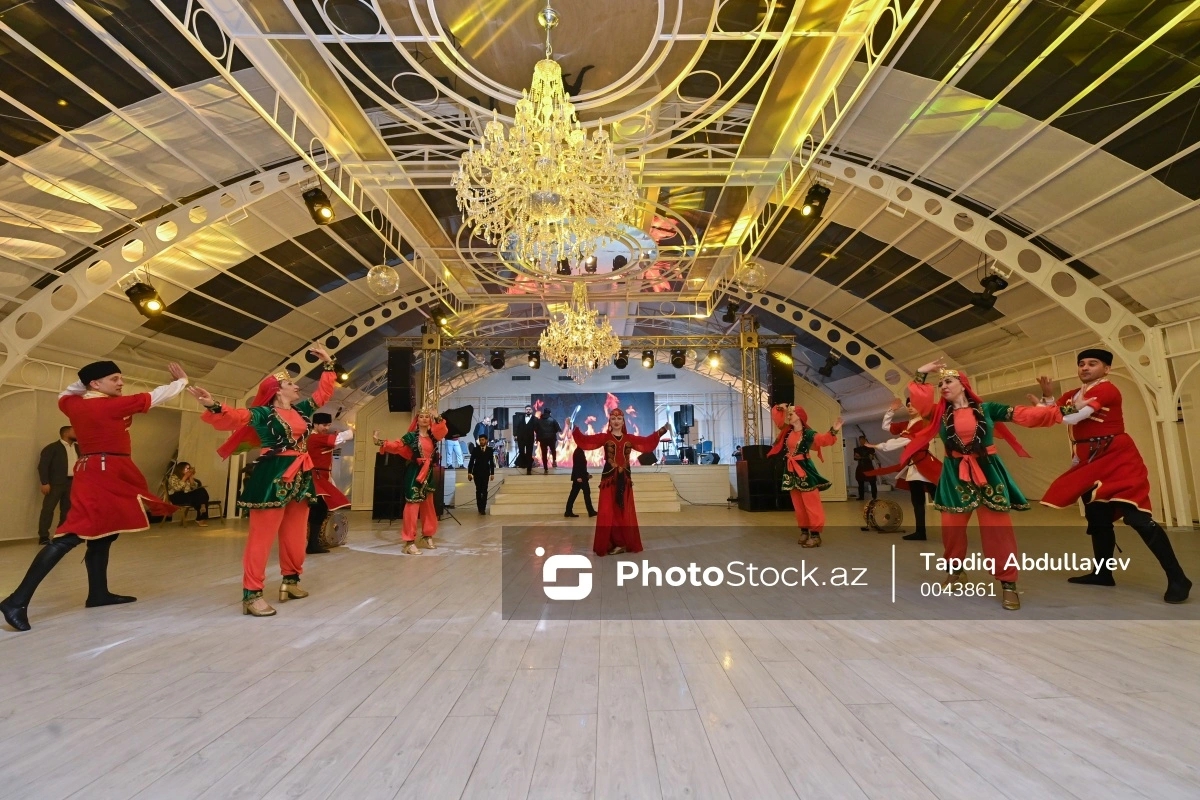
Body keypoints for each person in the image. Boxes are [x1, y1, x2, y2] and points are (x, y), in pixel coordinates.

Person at [1, 360, 187, 632]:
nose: (121, 383)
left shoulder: (73, 404)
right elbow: (155, 396)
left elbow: (65, 393)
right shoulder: (110, 405)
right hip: (104, 472)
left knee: (106, 531)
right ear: (95, 384)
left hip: (99, 469)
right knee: (73, 534)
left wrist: (86, 379)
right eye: (114, 379)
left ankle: (98, 593)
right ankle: (16, 601)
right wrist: (181, 382)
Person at [902, 358, 1062, 610]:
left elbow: (1024, 415)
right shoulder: (939, 414)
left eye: (948, 381)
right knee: (951, 529)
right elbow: (921, 403)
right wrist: (921, 373)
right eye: (940, 382)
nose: (943, 385)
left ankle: (1008, 583)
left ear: (963, 385)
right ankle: (956, 571)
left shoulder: (988, 408)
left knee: (998, 530)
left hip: (987, 471)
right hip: (955, 474)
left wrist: (1048, 401)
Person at [188, 346, 336, 617]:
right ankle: (252, 594)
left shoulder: (302, 410)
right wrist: (213, 404)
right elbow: (234, 417)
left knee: (295, 534)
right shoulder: (262, 414)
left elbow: (323, 394)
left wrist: (328, 365)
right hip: (273, 475)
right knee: (262, 537)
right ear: (277, 390)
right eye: (291, 384)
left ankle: (291, 581)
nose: (297, 387)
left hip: (301, 475)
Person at [1034, 350, 1191, 603]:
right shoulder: (1074, 394)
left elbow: (1072, 416)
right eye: (1082, 364)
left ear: (1106, 369)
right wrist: (1048, 397)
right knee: (1097, 517)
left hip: (1117, 457)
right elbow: (1049, 412)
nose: (1085, 367)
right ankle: (1102, 573)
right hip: (1090, 460)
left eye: (1092, 364)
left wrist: (1052, 409)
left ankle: (1178, 577)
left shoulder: (1108, 389)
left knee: (1137, 517)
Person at [572, 408, 670, 556]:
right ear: (609, 421)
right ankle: (610, 543)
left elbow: (646, 442)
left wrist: (663, 430)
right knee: (607, 511)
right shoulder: (605, 438)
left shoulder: (629, 438)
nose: (616, 421)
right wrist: (573, 428)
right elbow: (587, 441)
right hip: (609, 480)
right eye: (613, 419)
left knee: (623, 511)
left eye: (619, 419)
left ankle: (622, 543)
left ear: (623, 421)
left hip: (624, 479)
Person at [864, 397, 943, 541]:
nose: (910, 407)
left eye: (914, 405)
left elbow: (904, 441)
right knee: (917, 501)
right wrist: (891, 411)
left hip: (925, 463)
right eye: (908, 405)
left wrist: (879, 446)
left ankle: (953, 528)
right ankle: (921, 532)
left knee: (940, 499)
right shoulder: (906, 424)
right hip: (914, 465)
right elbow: (886, 427)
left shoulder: (923, 424)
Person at [767, 404, 842, 548]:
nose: (789, 416)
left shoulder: (808, 434)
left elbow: (824, 440)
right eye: (789, 414)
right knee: (798, 505)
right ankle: (804, 531)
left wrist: (834, 429)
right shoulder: (787, 432)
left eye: (792, 414)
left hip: (805, 471)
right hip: (791, 471)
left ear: (800, 416)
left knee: (811, 504)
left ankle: (815, 534)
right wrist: (780, 408)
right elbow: (778, 418)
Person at [374, 409, 449, 554]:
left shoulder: (434, 437)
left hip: (428, 473)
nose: (425, 419)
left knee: (428, 506)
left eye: (427, 417)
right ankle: (409, 541)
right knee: (412, 506)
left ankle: (427, 535)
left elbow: (443, 430)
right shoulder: (410, 436)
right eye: (421, 416)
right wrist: (380, 442)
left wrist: (437, 417)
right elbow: (397, 446)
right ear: (417, 419)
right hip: (415, 472)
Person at [305, 413, 352, 554]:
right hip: (315, 477)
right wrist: (349, 431)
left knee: (319, 510)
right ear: (315, 424)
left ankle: (313, 543)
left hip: (322, 477)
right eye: (324, 425)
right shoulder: (314, 438)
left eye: (328, 425)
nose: (326, 428)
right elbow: (343, 437)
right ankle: (312, 544)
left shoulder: (317, 437)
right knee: (317, 510)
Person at [36, 426, 78, 545]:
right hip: (55, 483)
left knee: (67, 509)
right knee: (48, 509)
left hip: (73, 482)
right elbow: (43, 466)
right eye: (74, 431)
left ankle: (61, 534)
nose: (77, 433)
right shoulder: (52, 448)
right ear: (65, 433)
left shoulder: (78, 448)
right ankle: (43, 535)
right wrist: (45, 482)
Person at [167, 462, 210, 527]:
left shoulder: (188, 477)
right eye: (186, 468)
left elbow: (194, 487)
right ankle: (201, 516)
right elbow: (177, 488)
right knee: (200, 498)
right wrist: (185, 477)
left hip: (187, 495)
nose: (188, 470)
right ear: (180, 469)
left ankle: (202, 508)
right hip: (176, 496)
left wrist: (190, 477)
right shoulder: (173, 477)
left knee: (201, 490)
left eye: (189, 468)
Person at [564, 445, 597, 518]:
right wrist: (578, 477)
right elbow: (577, 466)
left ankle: (568, 511)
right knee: (586, 493)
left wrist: (587, 474)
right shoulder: (578, 452)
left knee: (573, 494)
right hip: (580, 478)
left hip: (581, 477)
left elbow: (581, 467)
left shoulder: (579, 451)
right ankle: (590, 511)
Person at [467, 434, 495, 513]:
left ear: (486, 440)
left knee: (485, 490)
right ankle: (479, 507)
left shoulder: (490, 450)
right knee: (478, 490)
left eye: (483, 440)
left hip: (486, 473)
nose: (481, 441)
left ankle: (483, 507)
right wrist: (469, 472)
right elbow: (471, 462)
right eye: (480, 440)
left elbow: (491, 463)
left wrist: (492, 473)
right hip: (477, 473)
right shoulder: (475, 450)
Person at [852, 434, 879, 501]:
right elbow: (855, 458)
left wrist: (860, 457)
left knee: (872, 482)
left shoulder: (870, 449)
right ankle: (861, 496)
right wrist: (858, 457)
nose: (861, 441)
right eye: (860, 440)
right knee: (860, 482)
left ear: (865, 440)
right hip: (861, 467)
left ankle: (874, 497)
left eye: (862, 440)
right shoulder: (856, 449)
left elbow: (871, 458)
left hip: (868, 467)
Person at [536, 408, 562, 473]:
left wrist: (538, 438)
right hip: (551, 438)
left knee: (544, 453)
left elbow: (536, 430)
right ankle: (554, 461)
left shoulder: (539, 421)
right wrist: (553, 432)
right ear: (550, 413)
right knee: (553, 450)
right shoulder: (553, 420)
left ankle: (545, 468)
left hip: (542, 439)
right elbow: (558, 429)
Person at [514, 404, 536, 474]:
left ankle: (529, 470)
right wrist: (515, 435)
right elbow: (516, 426)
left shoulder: (534, 418)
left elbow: (537, 429)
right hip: (521, 438)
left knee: (529, 454)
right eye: (527, 409)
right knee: (521, 452)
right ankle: (523, 464)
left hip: (530, 439)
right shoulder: (520, 417)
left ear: (531, 410)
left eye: (529, 409)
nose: (528, 411)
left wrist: (537, 437)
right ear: (525, 410)